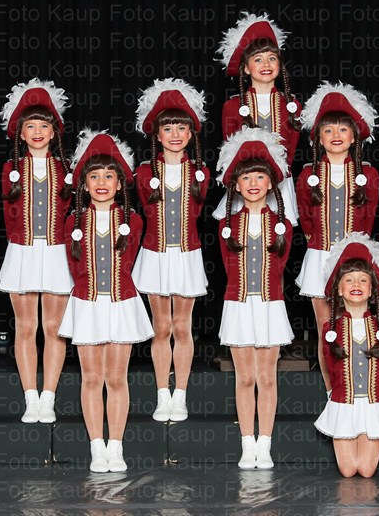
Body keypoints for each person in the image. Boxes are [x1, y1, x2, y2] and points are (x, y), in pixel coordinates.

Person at [58, 130, 154, 472]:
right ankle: (96, 447)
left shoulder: (134, 220)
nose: (102, 183)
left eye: (109, 176)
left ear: (119, 184)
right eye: (95, 176)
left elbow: (129, 262)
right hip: (87, 305)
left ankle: (116, 445)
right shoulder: (72, 221)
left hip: (121, 303)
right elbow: (74, 268)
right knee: (91, 378)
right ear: (84, 185)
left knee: (116, 378)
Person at [215, 127, 294, 469]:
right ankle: (247, 443)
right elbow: (228, 266)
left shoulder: (283, 225)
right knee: (245, 377)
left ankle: (266, 443)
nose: (253, 183)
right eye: (246, 177)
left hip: (270, 304)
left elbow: (280, 266)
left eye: (259, 177)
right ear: (236, 185)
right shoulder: (226, 225)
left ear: (270, 183)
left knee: (267, 377)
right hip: (237, 304)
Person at [0, 79, 74, 423]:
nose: (38, 132)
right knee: (26, 326)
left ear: (54, 131)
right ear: (21, 133)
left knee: (54, 327)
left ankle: (49, 396)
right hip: (23, 252)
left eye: (44, 125)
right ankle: (30, 396)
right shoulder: (11, 168)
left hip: (57, 252)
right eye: (31, 126)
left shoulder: (66, 169)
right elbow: (10, 214)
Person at [131, 78, 209, 422]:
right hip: (155, 255)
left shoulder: (201, 173)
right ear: (157, 135)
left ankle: (182, 395)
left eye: (181, 128)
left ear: (190, 133)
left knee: (182, 326)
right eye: (167, 128)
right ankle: (162, 393)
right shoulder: (144, 172)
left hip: (187, 255)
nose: (174, 134)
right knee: (161, 327)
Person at [295, 82, 379, 392]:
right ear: (318, 137)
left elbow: (368, 218)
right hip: (319, 255)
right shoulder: (308, 174)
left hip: (353, 259)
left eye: (343, 129)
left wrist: (353, 252)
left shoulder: (368, 174)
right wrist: (320, 243)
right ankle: (333, 391)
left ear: (354, 136)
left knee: (354, 323)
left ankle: (357, 386)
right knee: (326, 329)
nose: (336, 135)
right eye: (328, 130)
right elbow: (305, 217)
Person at [315, 233, 379, 478]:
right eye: (349, 280)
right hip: (344, 405)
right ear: (339, 290)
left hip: (372, 404)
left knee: (367, 471)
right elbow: (329, 365)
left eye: (363, 280)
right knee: (348, 471)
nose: (356, 285)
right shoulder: (331, 329)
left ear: (372, 290)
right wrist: (334, 393)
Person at [214, 12, 301, 224]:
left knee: (278, 234)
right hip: (245, 183)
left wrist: (276, 176)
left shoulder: (292, 105)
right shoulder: (232, 106)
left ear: (279, 65)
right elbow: (230, 151)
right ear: (245, 68)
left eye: (272, 58)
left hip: (280, 183)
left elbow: (290, 152)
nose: (266, 64)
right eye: (258, 59)